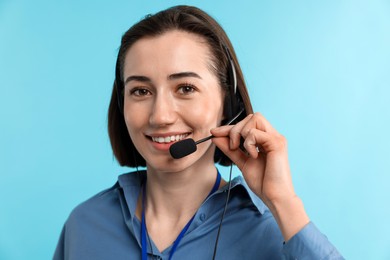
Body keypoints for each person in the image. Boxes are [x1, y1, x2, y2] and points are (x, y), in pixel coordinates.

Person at [54, 5, 343, 259]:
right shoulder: (85, 225)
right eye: (141, 91)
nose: (160, 116)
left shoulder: (275, 233)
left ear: (228, 102)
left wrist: (283, 202)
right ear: (122, 103)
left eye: (186, 89)